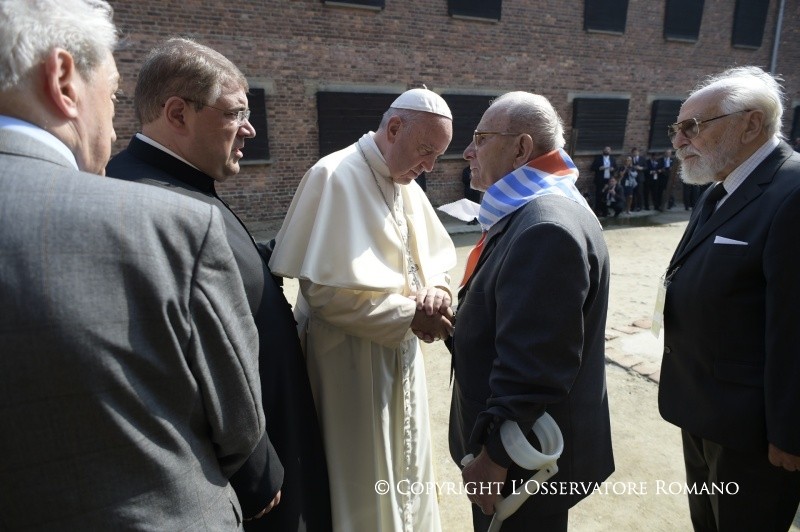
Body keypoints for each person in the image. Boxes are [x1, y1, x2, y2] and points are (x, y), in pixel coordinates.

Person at [0, 1, 267, 528]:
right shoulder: (169, 227)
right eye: (115, 93)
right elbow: (239, 425)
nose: (116, 116)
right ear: (63, 81)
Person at [106, 37, 331, 531]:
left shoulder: (180, 186)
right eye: (234, 113)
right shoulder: (154, 204)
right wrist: (255, 473)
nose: (250, 129)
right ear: (178, 114)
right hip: (245, 486)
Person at [269, 88, 457, 531]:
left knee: (407, 468)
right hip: (347, 366)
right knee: (362, 475)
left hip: (400, 358)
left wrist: (437, 293)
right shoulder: (333, 174)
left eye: (437, 156)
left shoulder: (405, 181)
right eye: (427, 151)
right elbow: (321, 293)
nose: (430, 166)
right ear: (394, 129)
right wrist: (408, 316)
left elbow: (432, 261)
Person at [449, 91, 614, 532]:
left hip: (521, 459)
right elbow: (516, 318)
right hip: (520, 446)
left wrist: (495, 458)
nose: (467, 152)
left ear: (521, 148)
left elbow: (536, 364)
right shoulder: (535, 206)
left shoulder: (545, 225)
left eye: (480, 138)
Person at [659, 66, 800, 531]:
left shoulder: (792, 191)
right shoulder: (722, 184)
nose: (679, 139)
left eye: (693, 127)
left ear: (751, 125)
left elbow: (794, 327)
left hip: (753, 432)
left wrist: (790, 431)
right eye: (678, 127)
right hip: (702, 409)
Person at [590, 145, 614, 216]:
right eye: (606, 149)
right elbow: (592, 168)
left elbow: (615, 167)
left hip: (608, 180)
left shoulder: (612, 159)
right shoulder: (598, 158)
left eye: (608, 150)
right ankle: (597, 211)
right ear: (603, 151)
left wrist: (613, 169)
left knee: (607, 196)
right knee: (599, 195)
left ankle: (605, 211)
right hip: (600, 180)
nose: (607, 151)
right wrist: (599, 168)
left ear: (610, 151)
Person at [630, 146, 646, 211]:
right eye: (634, 152)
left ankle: (640, 206)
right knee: (632, 193)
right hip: (632, 178)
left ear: (638, 152)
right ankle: (632, 207)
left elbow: (646, 167)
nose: (635, 153)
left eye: (636, 152)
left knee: (639, 193)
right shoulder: (630, 159)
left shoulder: (642, 158)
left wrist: (641, 168)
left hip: (640, 178)